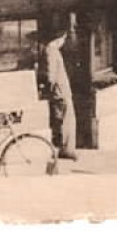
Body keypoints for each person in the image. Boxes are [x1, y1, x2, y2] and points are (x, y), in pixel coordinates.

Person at [39, 26, 77, 162]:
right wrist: (50, 89)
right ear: (59, 38)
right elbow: (50, 75)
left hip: (59, 92)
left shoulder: (51, 50)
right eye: (64, 38)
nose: (64, 42)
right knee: (65, 121)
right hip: (59, 93)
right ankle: (65, 150)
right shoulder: (51, 51)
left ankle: (63, 148)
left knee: (62, 121)